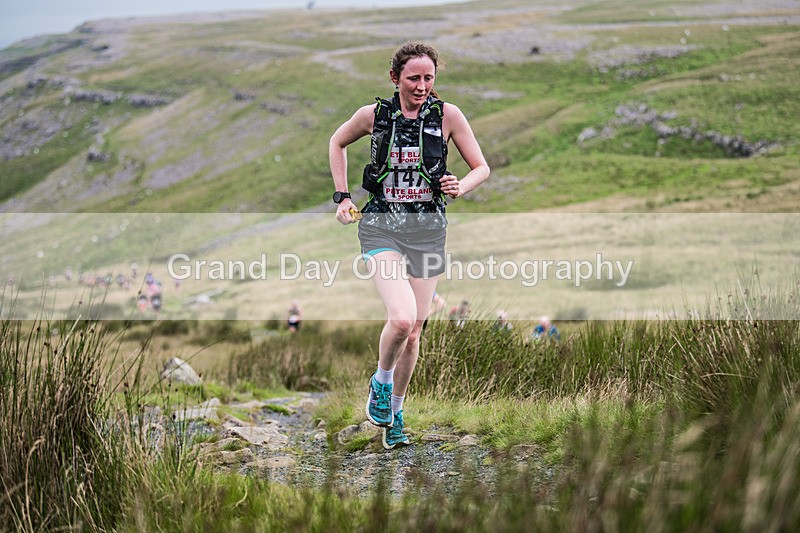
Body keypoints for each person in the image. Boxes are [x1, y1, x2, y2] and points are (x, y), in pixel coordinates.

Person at [330, 42, 490, 450]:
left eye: (428, 78)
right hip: (381, 227)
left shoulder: (448, 115)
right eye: (413, 78)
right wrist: (343, 197)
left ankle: (395, 414)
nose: (421, 86)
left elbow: (481, 167)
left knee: (416, 331)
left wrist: (461, 185)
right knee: (401, 319)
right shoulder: (374, 116)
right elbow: (336, 142)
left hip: (428, 230)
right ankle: (380, 383)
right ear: (395, 78)